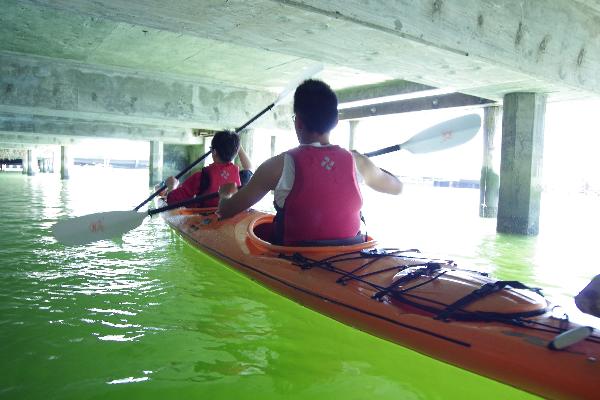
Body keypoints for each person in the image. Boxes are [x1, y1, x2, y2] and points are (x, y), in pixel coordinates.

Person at [218, 79, 402, 245]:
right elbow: (397, 188)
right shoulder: (358, 162)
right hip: (350, 257)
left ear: (298, 122)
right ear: (336, 121)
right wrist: (368, 164)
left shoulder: (275, 166)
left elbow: (226, 211)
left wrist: (224, 195)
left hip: (294, 259)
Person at [164, 130, 253, 207]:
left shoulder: (200, 177)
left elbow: (172, 200)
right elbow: (249, 168)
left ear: (214, 152)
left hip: (205, 218)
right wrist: (238, 147)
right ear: (236, 152)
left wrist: (172, 186)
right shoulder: (241, 177)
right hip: (230, 214)